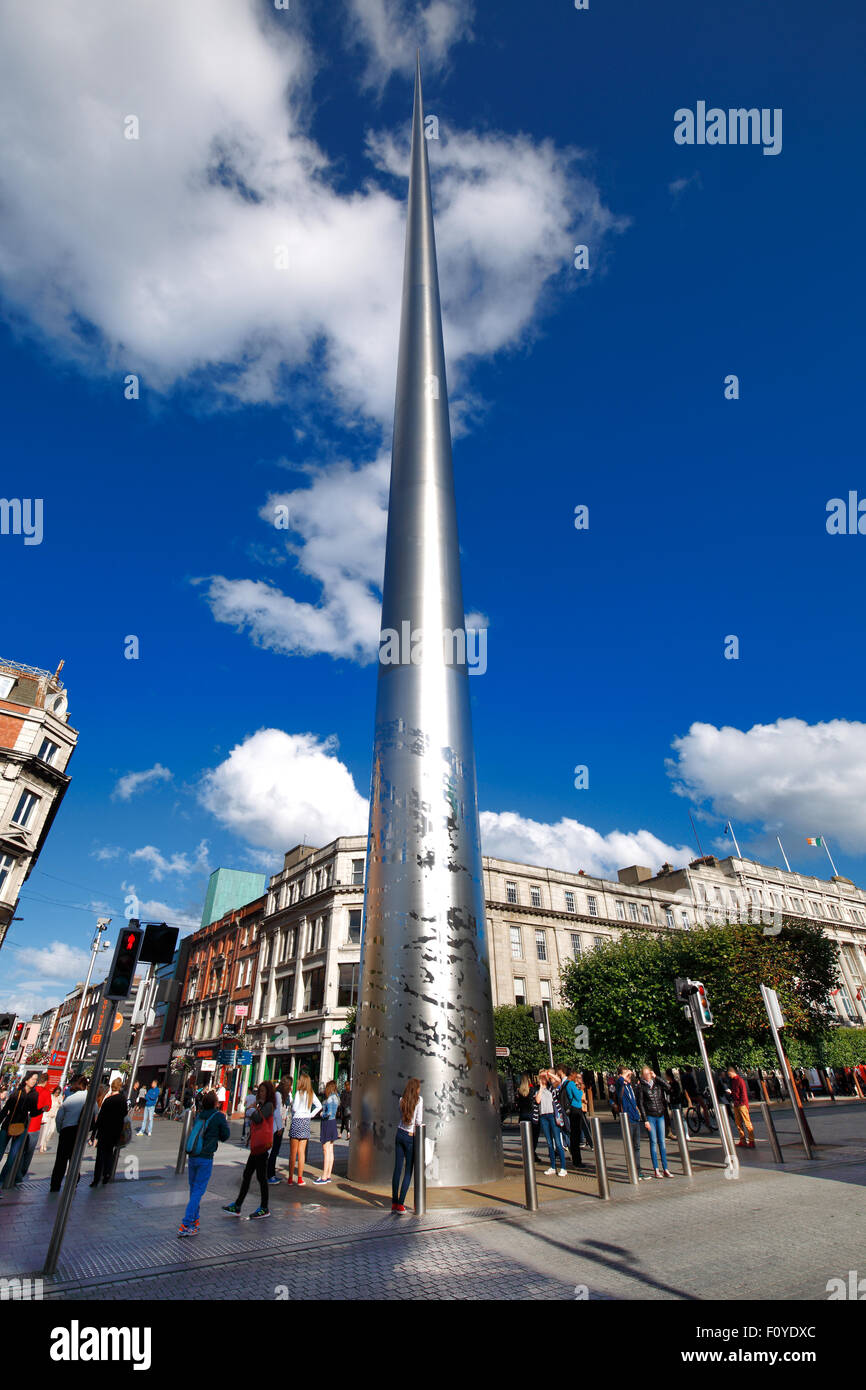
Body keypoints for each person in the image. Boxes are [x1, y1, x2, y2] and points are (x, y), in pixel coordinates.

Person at [179, 1090, 230, 1236]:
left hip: (193, 1155)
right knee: (198, 1191)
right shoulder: (218, 1116)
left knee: (194, 1189)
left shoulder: (200, 1115)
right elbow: (225, 1136)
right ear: (215, 1103)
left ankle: (194, 1221)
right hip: (206, 1157)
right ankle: (186, 1223)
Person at [224, 1080, 276, 1220]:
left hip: (262, 1147)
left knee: (260, 1177)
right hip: (256, 1146)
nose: (260, 1093)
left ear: (268, 1093)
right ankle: (238, 1205)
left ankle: (264, 1207)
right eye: (259, 1091)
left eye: (263, 1091)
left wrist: (252, 1109)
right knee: (248, 1175)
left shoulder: (269, 1105)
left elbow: (258, 1119)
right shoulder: (262, 1105)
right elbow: (250, 1115)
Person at [0, 1071, 43, 1185]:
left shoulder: (35, 1095)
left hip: (21, 1128)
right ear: (26, 1080)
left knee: (12, 1158)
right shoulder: (17, 1093)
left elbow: (33, 1113)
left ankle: (1, 1181)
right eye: (33, 1079)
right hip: (8, 1125)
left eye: (36, 1080)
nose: (34, 1081)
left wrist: (41, 1110)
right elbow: (6, 1110)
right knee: (0, 1152)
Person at [50, 1075, 89, 1191]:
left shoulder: (70, 1099)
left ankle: (55, 1184)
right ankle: (73, 1182)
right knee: (75, 1159)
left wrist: (60, 1129)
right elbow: (95, 1113)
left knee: (61, 1159)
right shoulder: (89, 1098)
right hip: (80, 1131)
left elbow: (59, 1117)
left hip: (66, 1130)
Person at [392, 1077, 423, 1213]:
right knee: (408, 1171)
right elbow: (418, 1121)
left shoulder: (401, 1100)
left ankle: (394, 1202)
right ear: (416, 1088)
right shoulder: (419, 1101)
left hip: (400, 1133)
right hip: (410, 1136)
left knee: (397, 1169)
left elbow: (402, 1116)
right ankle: (401, 1203)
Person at [286, 1073, 322, 1186]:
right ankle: (300, 1178)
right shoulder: (311, 1094)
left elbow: (295, 1108)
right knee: (302, 1152)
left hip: (297, 1120)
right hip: (306, 1121)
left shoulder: (298, 1093)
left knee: (293, 1153)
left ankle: (290, 1178)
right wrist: (310, 1114)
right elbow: (319, 1106)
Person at [90, 1077, 128, 1186]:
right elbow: (124, 1115)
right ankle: (107, 1174)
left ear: (112, 1086)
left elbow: (101, 1117)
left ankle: (97, 1178)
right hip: (115, 1130)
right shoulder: (122, 1100)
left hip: (104, 1130)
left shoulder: (108, 1100)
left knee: (100, 1155)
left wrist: (94, 1133)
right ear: (120, 1087)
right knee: (109, 1153)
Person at [639, 1066, 673, 1178]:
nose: (647, 1076)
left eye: (649, 1073)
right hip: (650, 1116)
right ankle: (656, 1169)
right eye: (645, 1074)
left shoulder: (657, 1084)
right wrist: (645, 1120)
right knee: (653, 1142)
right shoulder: (641, 1087)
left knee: (662, 1142)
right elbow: (641, 1104)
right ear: (642, 1075)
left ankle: (666, 1168)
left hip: (660, 1115)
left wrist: (657, 1077)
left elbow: (668, 1087)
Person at [615, 1066, 647, 1180]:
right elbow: (619, 1080)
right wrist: (626, 1073)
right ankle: (632, 1171)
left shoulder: (630, 1086)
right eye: (626, 1075)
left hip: (635, 1118)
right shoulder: (620, 1086)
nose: (629, 1077)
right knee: (629, 1146)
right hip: (627, 1119)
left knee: (636, 1146)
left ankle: (638, 1171)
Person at [537, 1071, 567, 1177]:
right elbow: (537, 1100)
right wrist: (541, 1087)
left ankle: (563, 1167)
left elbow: (558, 1081)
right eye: (540, 1078)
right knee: (549, 1143)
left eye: (543, 1078)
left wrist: (549, 1073)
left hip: (553, 1116)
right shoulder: (539, 1090)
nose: (542, 1079)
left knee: (558, 1142)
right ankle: (553, 1166)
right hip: (543, 1117)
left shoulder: (552, 1089)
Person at [267, 1078, 290, 1184]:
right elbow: (276, 1112)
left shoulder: (283, 1095)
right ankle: (269, 1175)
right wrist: (280, 1127)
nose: (291, 1088)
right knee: (272, 1151)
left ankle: (271, 1174)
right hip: (276, 1127)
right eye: (289, 1085)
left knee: (275, 1151)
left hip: (279, 1126)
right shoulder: (278, 1094)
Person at [317, 1081, 340, 1184]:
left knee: (326, 1150)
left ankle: (324, 1176)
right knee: (330, 1150)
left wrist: (322, 1113)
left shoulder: (330, 1098)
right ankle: (328, 1174)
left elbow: (329, 1113)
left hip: (327, 1123)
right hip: (333, 1123)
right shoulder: (336, 1098)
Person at [562, 1068, 586, 1169]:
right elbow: (577, 1096)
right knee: (575, 1135)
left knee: (574, 1135)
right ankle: (577, 1160)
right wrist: (581, 1089)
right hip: (576, 1108)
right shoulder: (571, 1084)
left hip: (572, 1109)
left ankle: (576, 1159)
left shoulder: (566, 1084)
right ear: (572, 1074)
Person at [727, 1066, 755, 1149]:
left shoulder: (740, 1080)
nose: (729, 1076)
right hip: (736, 1103)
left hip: (741, 1104)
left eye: (729, 1074)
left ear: (732, 1072)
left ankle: (751, 1141)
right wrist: (731, 1094)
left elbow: (743, 1092)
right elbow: (735, 1092)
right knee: (738, 1123)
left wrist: (742, 1103)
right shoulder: (733, 1081)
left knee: (747, 1123)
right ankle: (742, 1140)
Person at [516, 1073, 540, 1159]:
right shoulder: (532, 1090)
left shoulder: (519, 1091)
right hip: (532, 1115)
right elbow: (536, 1101)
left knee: (526, 1138)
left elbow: (518, 1105)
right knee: (534, 1136)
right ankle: (532, 1153)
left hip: (523, 1116)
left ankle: (528, 1154)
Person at [39, 1084, 62, 1154]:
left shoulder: (60, 1098)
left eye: (58, 1093)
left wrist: (60, 1103)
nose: (57, 1094)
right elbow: (47, 1105)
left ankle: (45, 1142)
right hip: (49, 1115)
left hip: (55, 1116)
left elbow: (61, 1106)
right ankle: (42, 1146)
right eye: (56, 1092)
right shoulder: (50, 1096)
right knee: (45, 1131)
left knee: (52, 1131)